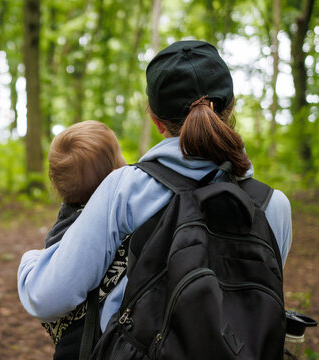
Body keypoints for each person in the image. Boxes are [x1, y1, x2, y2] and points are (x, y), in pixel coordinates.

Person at [17, 40, 292, 349]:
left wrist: (32, 261)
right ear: (231, 107)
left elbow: (48, 297)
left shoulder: (126, 189)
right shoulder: (272, 206)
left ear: (157, 121)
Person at [23, 120, 126, 359]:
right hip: (89, 341)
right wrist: (30, 261)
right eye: (119, 156)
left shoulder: (61, 226)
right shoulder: (101, 222)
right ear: (112, 175)